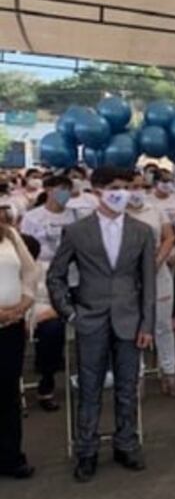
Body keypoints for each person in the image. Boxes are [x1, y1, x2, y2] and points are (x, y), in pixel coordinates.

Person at [47, 166, 156, 482]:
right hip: (89, 318)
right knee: (90, 389)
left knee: (127, 386)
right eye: (113, 187)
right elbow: (55, 275)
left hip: (129, 319)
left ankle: (127, 443)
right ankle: (87, 450)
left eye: (124, 186)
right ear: (96, 191)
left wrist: (147, 324)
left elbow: (148, 282)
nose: (121, 192)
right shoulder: (77, 231)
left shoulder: (142, 231)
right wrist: (69, 312)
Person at [19, 175, 79, 410]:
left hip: (71, 278)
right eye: (60, 189)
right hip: (40, 282)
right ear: (49, 190)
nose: (64, 193)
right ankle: (46, 381)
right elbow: (27, 251)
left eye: (68, 189)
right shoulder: (33, 218)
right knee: (51, 328)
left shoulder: (75, 217)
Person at [123, 173, 175, 397]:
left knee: (163, 324)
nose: (136, 191)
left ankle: (169, 372)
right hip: (129, 277)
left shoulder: (154, 209)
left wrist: (157, 260)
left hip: (158, 273)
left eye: (140, 186)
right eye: (131, 186)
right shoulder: (117, 213)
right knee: (134, 327)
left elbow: (169, 237)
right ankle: (136, 375)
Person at [0, 212, 38, 480]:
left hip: (11, 326)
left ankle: (11, 457)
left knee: (7, 392)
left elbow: (30, 270)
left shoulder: (9, 235)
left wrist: (25, 302)